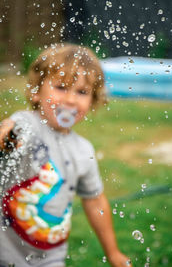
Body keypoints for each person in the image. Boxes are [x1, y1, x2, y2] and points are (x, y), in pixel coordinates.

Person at [0, 43, 132, 267]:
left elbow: (94, 200)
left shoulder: (84, 150)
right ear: (35, 92)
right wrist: (6, 133)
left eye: (82, 92)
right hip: (5, 250)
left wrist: (113, 253)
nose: (71, 100)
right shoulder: (27, 124)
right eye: (61, 87)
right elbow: (11, 130)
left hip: (50, 257)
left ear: (93, 100)